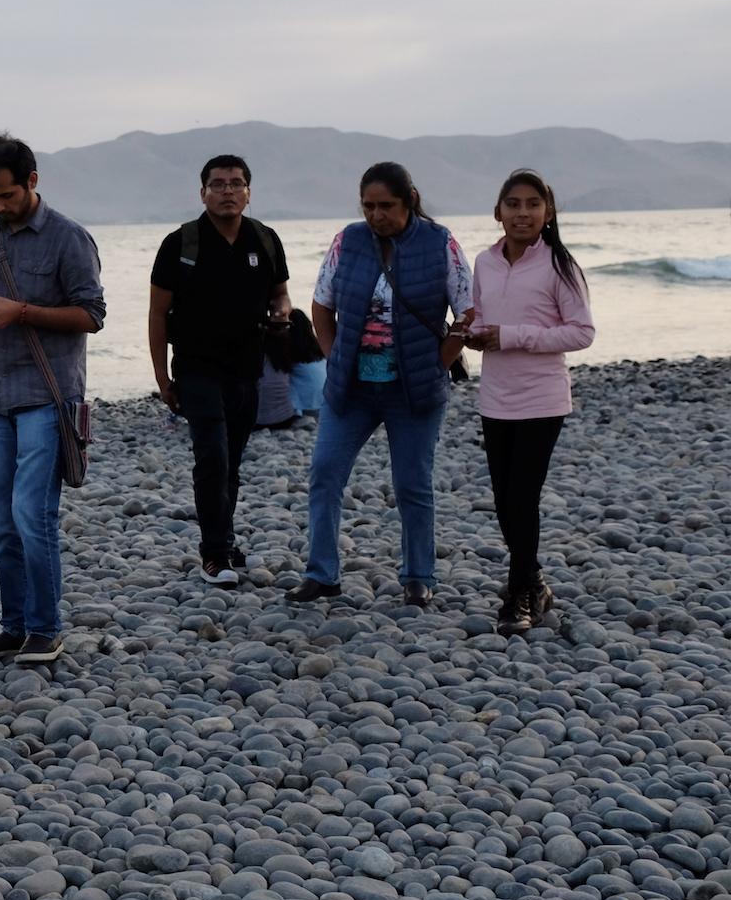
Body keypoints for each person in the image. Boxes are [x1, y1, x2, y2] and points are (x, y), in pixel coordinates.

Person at [289, 163, 472, 608]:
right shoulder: (347, 242)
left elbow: (466, 312)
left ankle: (418, 576)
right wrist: (334, 359)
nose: (376, 215)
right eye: (368, 206)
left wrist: (439, 363)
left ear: (409, 199)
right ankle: (322, 574)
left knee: (412, 483)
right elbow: (321, 306)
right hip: (351, 389)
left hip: (413, 390)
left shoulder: (439, 243)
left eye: (386, 206)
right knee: (325, 474)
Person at [0, 133, 105, 665]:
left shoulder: (70, 239)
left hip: (49, 395)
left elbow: (92, 315)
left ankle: (46, 627)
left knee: (31, 514)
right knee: (1, 524)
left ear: (32, 182)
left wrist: (22, 312)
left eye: (8, 196)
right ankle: (14, 626)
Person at [147, 155, 291, 586]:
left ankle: (223, 540)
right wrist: (161, 379)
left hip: (247, 370)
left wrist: (282, 313)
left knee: (231, 460)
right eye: (218, 184)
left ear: (248, 191)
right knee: (211, 457)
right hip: (195, 368)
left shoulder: (264, 240)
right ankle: (214, 555)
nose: (227, 191)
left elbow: (281, 294)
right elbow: (156, 315)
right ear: (202, 192)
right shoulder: (181, 243)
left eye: (236, 183)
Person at [464, 169, 594, 634]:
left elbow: (582, 332)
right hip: (495, 396)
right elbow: (482, 319)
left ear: (548, 212)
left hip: (542, 398)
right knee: (503, 498)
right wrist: (475, 337)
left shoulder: (561, 265)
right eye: (513, 204)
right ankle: (532, 580)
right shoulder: (483, 262)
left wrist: (513, 336)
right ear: (497, 212)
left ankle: (522, 591)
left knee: (523, 495)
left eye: (532, 205)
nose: (523, 213)